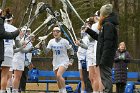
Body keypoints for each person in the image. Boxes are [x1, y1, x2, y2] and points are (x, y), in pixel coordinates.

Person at [84, 4, 118, 93]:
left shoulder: (108, 25)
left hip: (105, 57)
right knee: (104, 77)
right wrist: (88, 30)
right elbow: (100, 39)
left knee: (106, 77)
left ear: (104, 14)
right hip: (104, 56)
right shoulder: (107, 24)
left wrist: (103, 58)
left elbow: (108, 43)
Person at [41, 26, 74, 93]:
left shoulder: (65, 41)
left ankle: (64, 90)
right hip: (55, 62)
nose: (55, 33)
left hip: (64, 61)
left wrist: (71, 60)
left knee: (59, 75)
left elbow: (71, 51)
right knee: (58, 78)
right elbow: (46, 52)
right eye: (54, 31)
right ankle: (60, 91)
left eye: (57, 31)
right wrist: (43, 44)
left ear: (60, 33)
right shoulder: (51, 41)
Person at [0, 8, 19, 92]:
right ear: (11, 19)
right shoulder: (14, 28)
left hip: (2, 51)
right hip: (8, 53)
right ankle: (3, 91)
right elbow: (18, 45)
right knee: (5, 75)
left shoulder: (1, 25)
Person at [19, 27, 34, 93]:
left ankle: (22, 90)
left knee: (24, 76)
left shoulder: (29, 42)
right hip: (21, 60)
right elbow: (23, 50)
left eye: (28, 31)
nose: (28, 33)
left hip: (27, 62)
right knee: (19, 76)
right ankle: (19, 89)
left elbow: (29, 52)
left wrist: (30, 61)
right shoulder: (22, 40)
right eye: (26, 31)